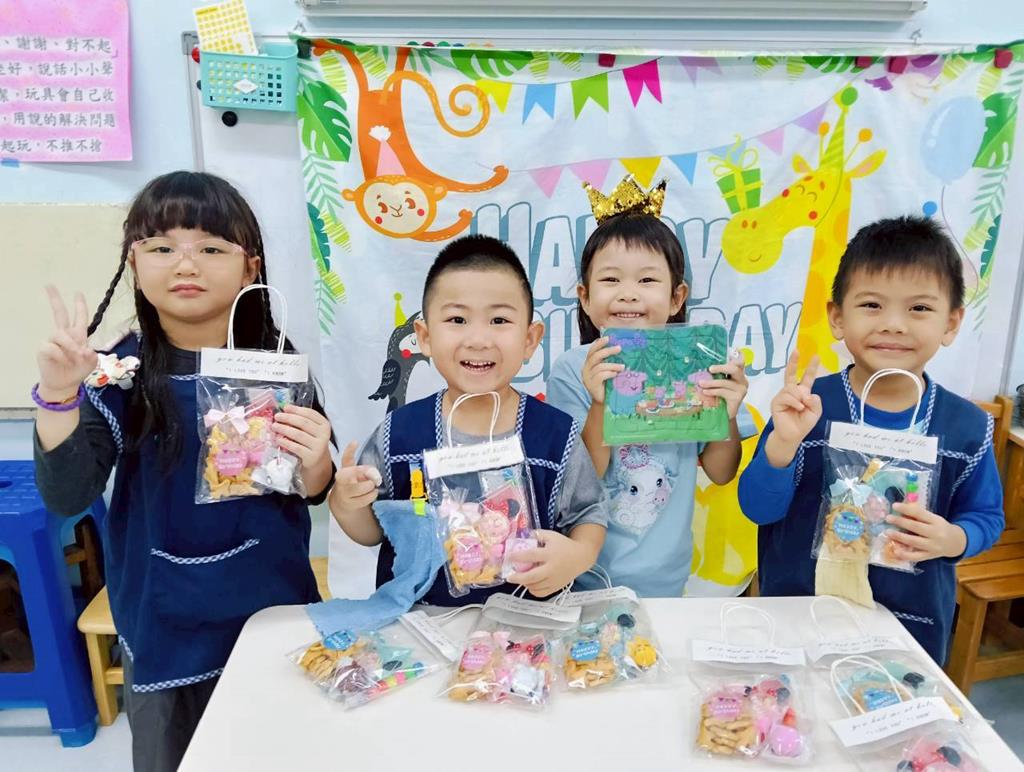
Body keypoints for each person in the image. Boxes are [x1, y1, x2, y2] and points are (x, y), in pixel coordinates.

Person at [33, 171, 334, 771]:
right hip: (166, 623)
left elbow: (313, 488)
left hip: (272, 603)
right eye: (162, 247)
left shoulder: (276, 365)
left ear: (249, 268)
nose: (186, 264)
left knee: (281, 750)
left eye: (211, 249)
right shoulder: (117, 373)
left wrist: (318, 460)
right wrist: (59, 396)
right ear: (134, 262)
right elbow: (68, 493)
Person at [738, 215, 1004, 663]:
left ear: (952, 322)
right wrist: (783, 444)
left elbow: (986, 517)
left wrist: (954, 540)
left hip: (907, 632)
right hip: (797, 619)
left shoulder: (966, 427)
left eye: (919, 309)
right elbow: (757, 509)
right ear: (837, 317)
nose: (894, 324)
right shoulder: (807, 407)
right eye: (872, 305)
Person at [329, 234, 608, 604]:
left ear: (530, 339)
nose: (478, 339)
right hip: (420, 625)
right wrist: (346, 503)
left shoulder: (557, 436)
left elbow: (589, 511)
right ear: (425, 337)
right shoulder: (397, 435)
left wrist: (579, 555)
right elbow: (372, 532)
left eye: (499, 320)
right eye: (457, 319)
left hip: (530, 626)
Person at [547, 178, 752, 597]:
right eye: (610, 280)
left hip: (668, 578)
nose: (628, 295)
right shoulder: (572, 370)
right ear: (585, 297)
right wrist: (600, 404)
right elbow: (580, 479)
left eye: (646, 280)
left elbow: (720, 471)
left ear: (677, 297)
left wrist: (726, 415)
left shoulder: (699, 362)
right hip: (585, 577)